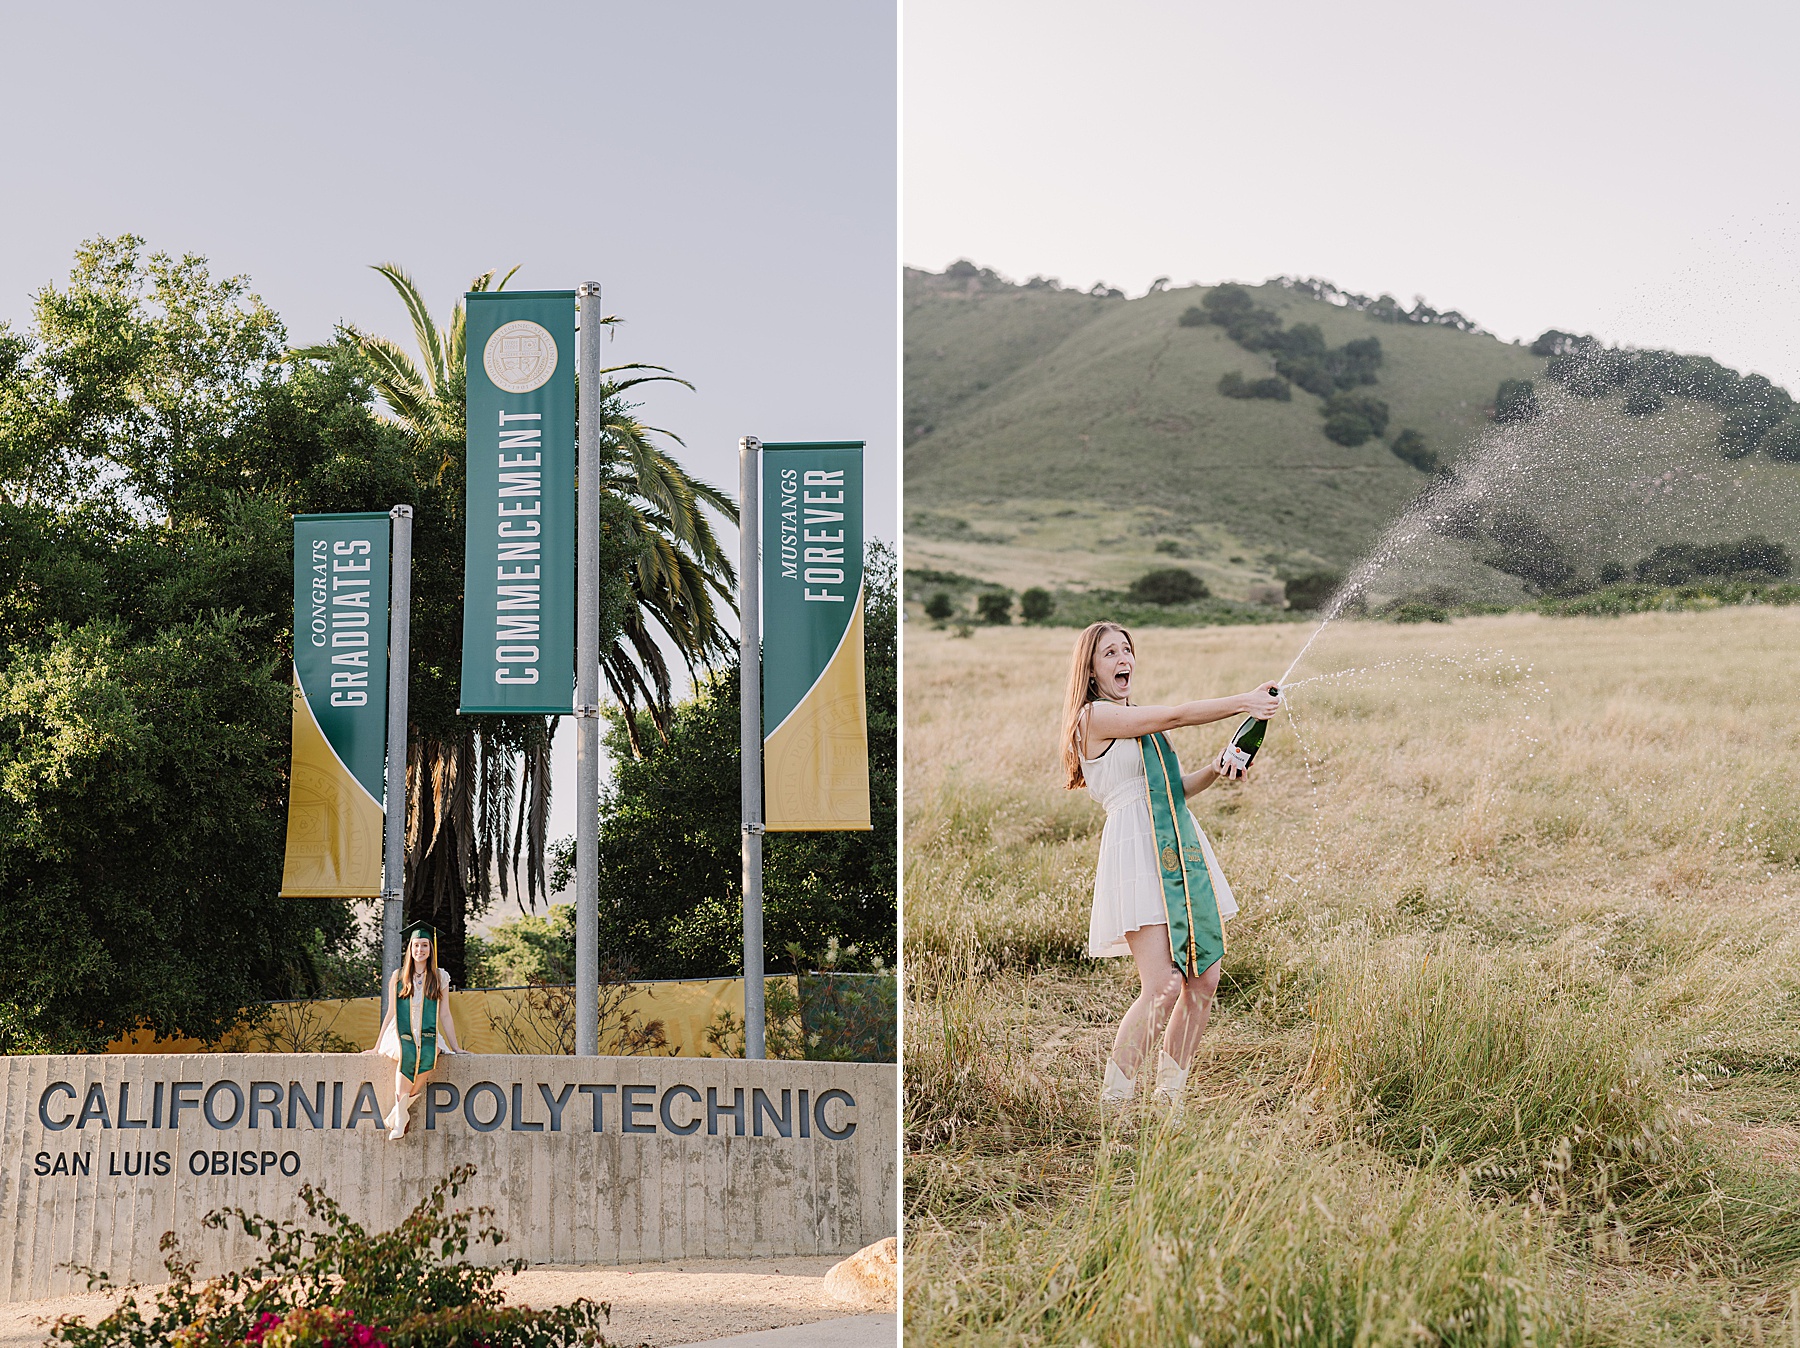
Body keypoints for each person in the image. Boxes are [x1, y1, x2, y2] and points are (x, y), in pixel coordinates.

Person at [1061, 621, 1280, 1112]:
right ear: (1092, 671)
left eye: (1126, 650)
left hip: (1180, 842)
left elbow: (1176, 787)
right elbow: (1179, 714)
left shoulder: (1137, 717)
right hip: (1137, 850)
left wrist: (1219, 766)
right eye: (1109, 653)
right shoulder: (1094, 717)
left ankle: (1168, 1099)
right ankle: (1114, 1105)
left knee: (1203, 979)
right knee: (1162, 985)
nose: (1123, 660)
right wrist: (1245, 700)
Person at [369, 920, 465, 1139]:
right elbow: (392, 1012)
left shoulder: (440, 977)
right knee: (407, 1051)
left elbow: (445, 1014)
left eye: (424, 945)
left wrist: (456, 1047)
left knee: (433, 1052)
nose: (420, 950)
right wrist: (377, 1047)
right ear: (409, 949)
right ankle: (401, 1116)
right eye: (416, 945)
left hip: (426, 1029)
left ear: (431, 950)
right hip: (401, 1029)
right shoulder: (398, 976)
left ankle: (399, 1113)